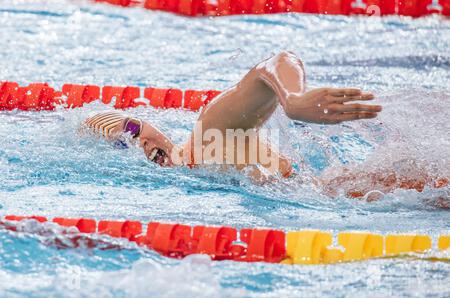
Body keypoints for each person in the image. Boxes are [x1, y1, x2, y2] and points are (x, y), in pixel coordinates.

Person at [83, 51, 448, 201]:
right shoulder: (195, 172)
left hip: (357, 191)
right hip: (355, 196)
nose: (138, 145)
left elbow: (274, 63)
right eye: (121, 145)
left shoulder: (208, 131)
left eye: (131, 129)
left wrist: (294, 100)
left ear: (150, 124)